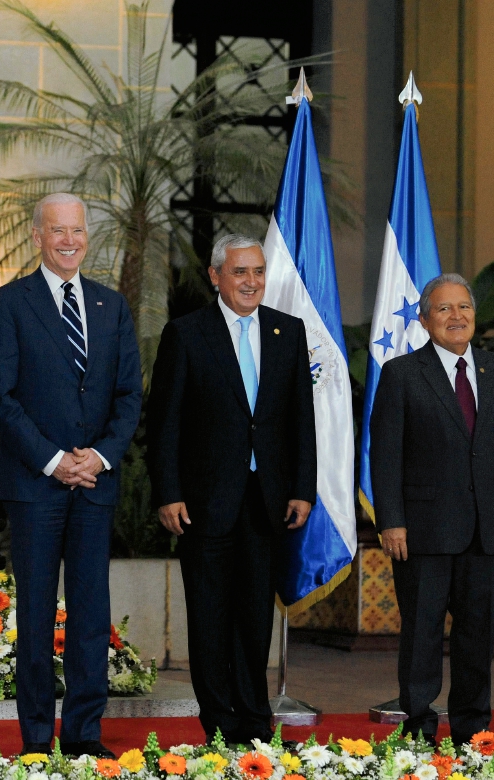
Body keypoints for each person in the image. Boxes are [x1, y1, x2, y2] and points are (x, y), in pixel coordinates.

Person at [0, 192, 142, 757]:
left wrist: (97, 457)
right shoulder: (8, 303)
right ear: (36, 236)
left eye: (77, 231)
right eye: (57, 231)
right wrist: (55, 460)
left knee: (92, 614)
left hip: (96, 485)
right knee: (36, 614)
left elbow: (127, 397)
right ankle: (35, 740)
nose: (68, 241)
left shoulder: (110, 306)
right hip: (35, 485)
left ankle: (84, 736)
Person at [145, 234, 317, 744]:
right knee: (210, 617)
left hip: (267, 502)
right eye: (240, 272)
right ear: (217, 276)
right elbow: (164, 424)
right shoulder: (186, 334)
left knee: (253, 616)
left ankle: (255, 719)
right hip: (202, 504)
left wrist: (302, 488)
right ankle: (219, 722)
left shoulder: (289, 332)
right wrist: (168, 492)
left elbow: (300, 422)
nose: (251, 282)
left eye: (258, 272)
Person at [370, 273, 494, 744]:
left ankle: (473, 732)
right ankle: (420, 731)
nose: (456, 316)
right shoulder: (401, 374)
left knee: (476, 637)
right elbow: (385, 455)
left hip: (487, 529)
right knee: (422, 635)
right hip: (422, 530)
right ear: (424, 320)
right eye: (444, 309)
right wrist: (392, 520)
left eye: (464, 307)